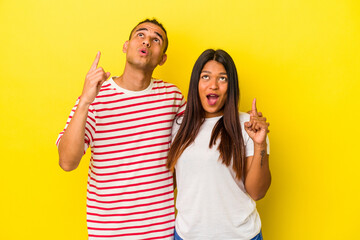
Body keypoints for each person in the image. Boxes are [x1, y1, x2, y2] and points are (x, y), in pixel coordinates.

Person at [56, 19, 186, 239]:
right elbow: (67, 162)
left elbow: (193, 148)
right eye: (140, 35)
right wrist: (86, 100)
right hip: (108, 232)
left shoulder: (172, 97)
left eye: (156, 39)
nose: (146, 41)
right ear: (126, 46)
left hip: (160, 232)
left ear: (162, 58)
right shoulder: (96, 96)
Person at [167, 49, 271, 240]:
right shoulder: (178, 126)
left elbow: (257, 192)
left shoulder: (248, 125)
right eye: (205, 77)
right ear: (196, 83)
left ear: (230, 86)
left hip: (240, 236)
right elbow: (168, 182)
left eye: (222, 78)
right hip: (187, 236)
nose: (213, 85)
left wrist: (260, 145)